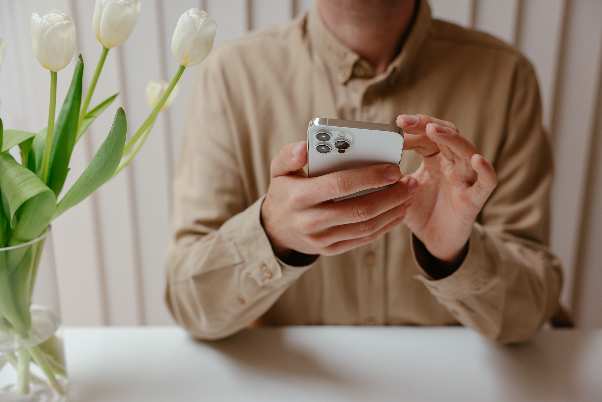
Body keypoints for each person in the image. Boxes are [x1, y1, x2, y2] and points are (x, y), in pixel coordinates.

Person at [166, 0, 563, 343]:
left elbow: (528, 315)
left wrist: (454, 256)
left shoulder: (508, 78)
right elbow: (189, 305)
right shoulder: (232, 77)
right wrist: (271, 235)